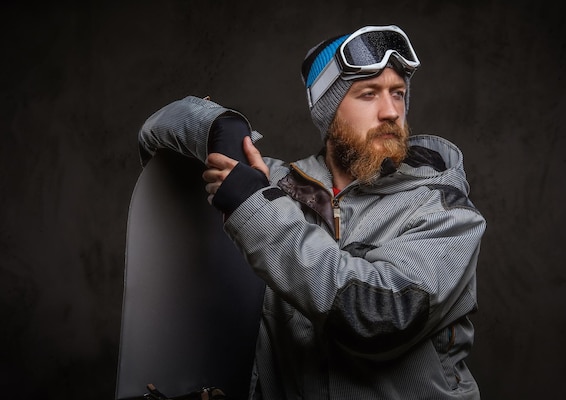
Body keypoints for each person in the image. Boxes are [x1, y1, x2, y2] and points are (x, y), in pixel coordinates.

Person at [139, 25, 486, 399]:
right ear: (330, 112)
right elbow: (154, 140)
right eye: (368, 94)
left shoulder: (443, 206)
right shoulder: (270, 187)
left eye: (398, 94)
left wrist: (253, 206)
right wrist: (219, 127)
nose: (391, 112)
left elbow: (377, 312)